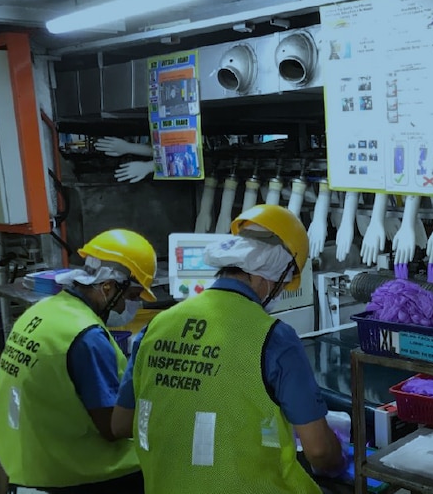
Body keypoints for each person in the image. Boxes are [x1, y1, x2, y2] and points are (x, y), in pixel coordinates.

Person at [111, 204, 347, 494]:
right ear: (267, 275)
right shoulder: (274, 338)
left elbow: (120, 425)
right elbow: (320, 451)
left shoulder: (156, 326)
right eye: (283, 283)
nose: (281, 291)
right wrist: (339, 462)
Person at [0, 229, 157, 493]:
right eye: (133, 297)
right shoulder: (86, 336)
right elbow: (114, 427)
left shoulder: (43, 311)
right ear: (108, 287)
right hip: (66, 472)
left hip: (19, 460)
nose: (132, 307)